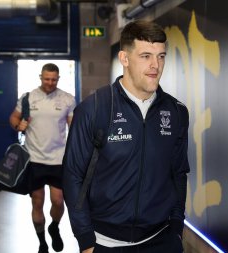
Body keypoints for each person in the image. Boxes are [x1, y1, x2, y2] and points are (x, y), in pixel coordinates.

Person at [62, 20, 190, 253]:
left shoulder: (176, 112)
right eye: (145, 56)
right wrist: (85, 240)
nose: (155, 65)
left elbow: (179, 173)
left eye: (161, 56)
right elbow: (72, 176)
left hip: (161, 240)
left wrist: (177, 230)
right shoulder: (94, 109)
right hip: (105, 242)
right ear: (124, 58)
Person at [10, 63, 76, 253]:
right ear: (40, 77)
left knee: (58, 201)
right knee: (37, 202)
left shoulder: (67, 99)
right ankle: (42, 243)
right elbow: (13, 118)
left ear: (58, 78)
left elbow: (73, 127)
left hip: (58, 159)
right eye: (46, 79)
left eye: (54, 79)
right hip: (34, 159)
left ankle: (54, 226)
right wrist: (18, 126)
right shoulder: (28, 98)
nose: (50, 82)